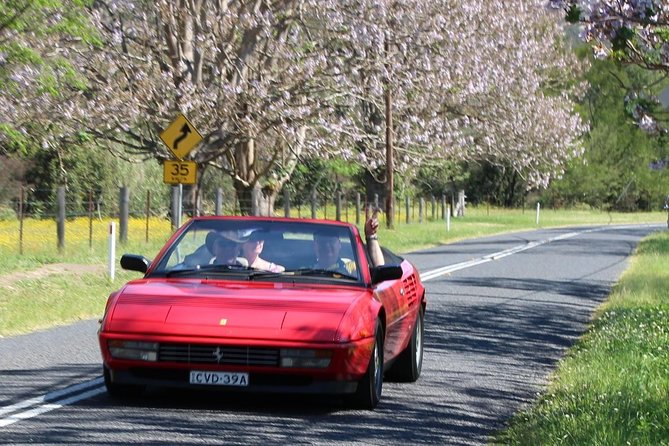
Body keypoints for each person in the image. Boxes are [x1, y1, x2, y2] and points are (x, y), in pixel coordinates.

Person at [312, 216, 384, 276]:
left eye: (331, 242)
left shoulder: (352, 267)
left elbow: (381, 271)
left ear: (339, 245)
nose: (327, 246)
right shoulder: (304, 271)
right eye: (322, 242)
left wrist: (371, 236)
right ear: (314, 247)